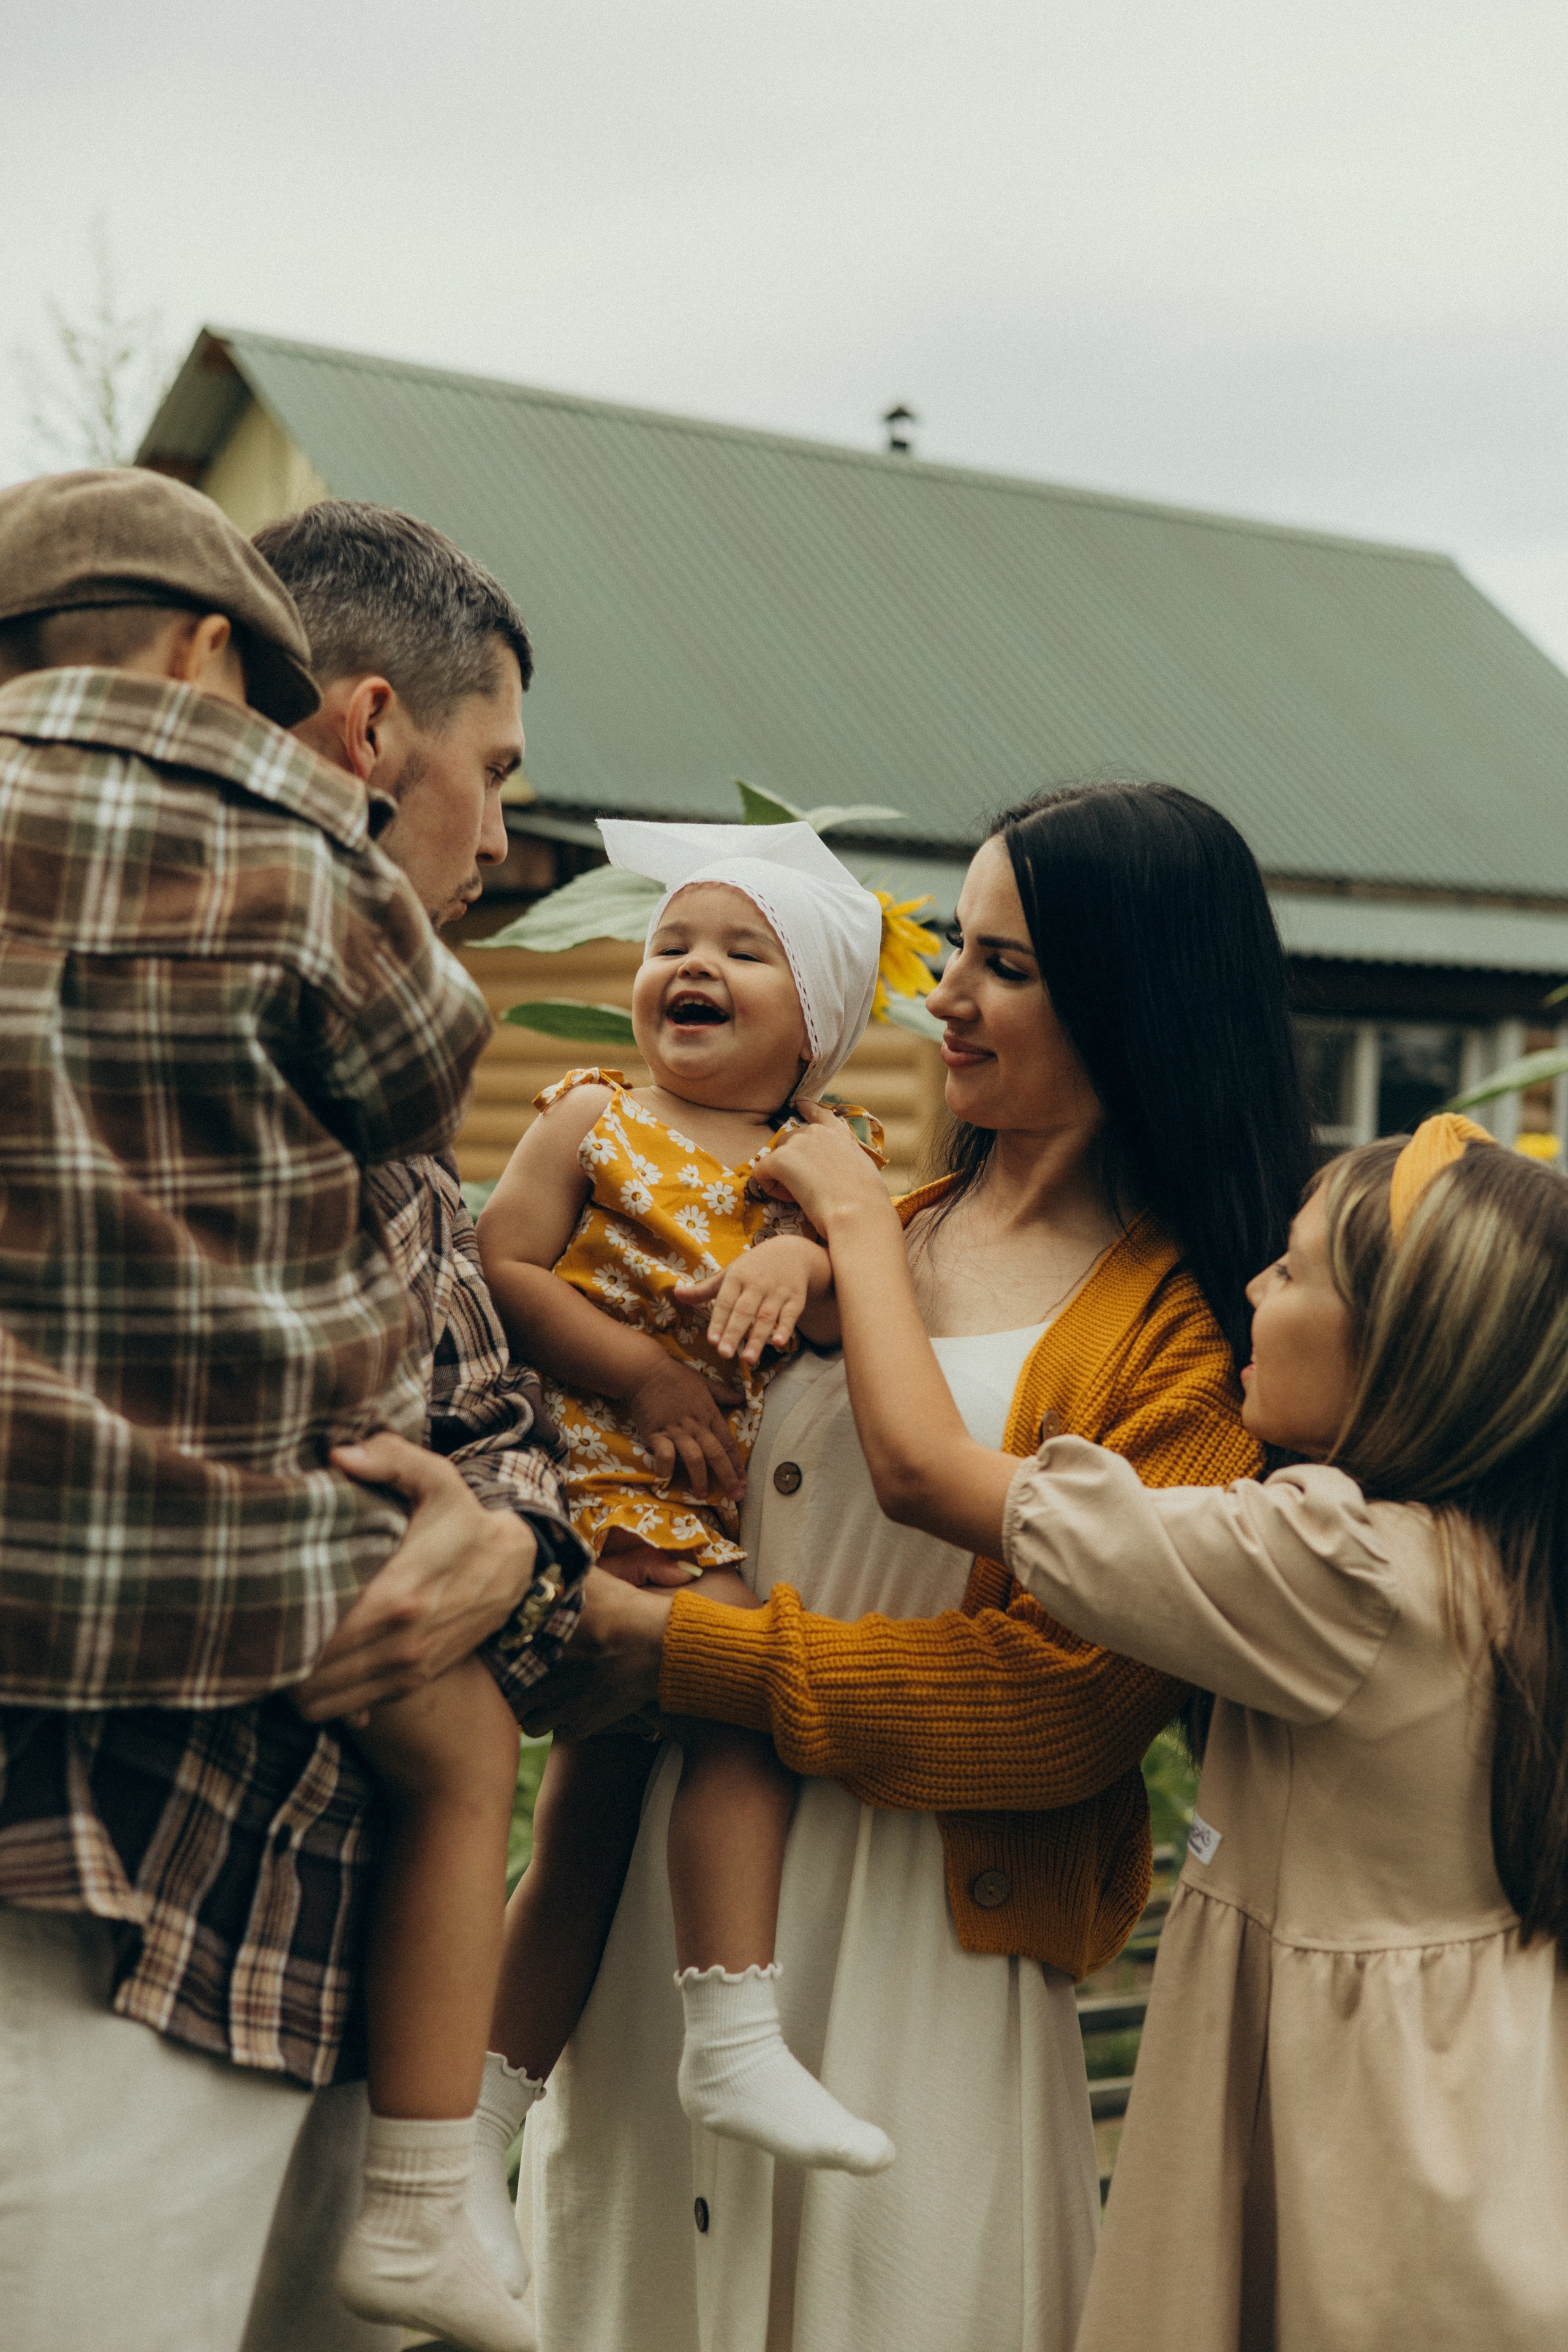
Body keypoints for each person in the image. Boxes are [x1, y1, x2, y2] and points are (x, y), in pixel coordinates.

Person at [511, 782, 1317, 2352]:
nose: (941, 994)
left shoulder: (1188, 1338)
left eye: (1005, 966)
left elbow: (1062, 1702)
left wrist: (689, 1659)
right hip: (685, 1933)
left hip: (920, 1938)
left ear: (1134, 992)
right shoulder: (834, 1218)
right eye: (957, 948)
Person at [0, 473, 582, 2352]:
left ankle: (427, 2199)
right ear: (367, 729)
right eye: (495, 773)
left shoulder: (393, 1175)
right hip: (88, 1908)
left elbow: (511, 1453)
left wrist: (502, 1544)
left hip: (318, 1986)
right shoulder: (322, 920)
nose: (502, 839)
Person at [767, 1104, 1568, 2350]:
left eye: (1292, 1268)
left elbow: (925, 1471)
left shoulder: (1335, 1566)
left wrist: (862, 1219)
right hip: (1490, 2103)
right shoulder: (1496, 1569)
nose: (1250, 1281)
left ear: (1399, 1347)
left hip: (1374, 2141)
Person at [470, 816, 896, 2280]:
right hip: (610, 1473)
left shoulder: (837, 1162)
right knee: (741, 1705)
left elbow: (868, 1305)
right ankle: (730, 2028)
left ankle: (472, 2127)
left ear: (818, 1026)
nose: (687, 967)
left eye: (738, 951)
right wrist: (643, 1374)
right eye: (670, 944)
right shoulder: (589, 1116)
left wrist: (807, 1252)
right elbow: (503, 1270)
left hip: (735, 1509)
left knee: (583, 1830)